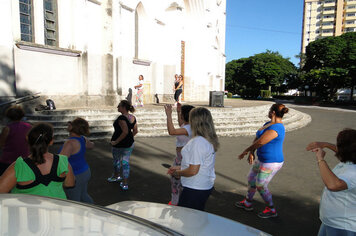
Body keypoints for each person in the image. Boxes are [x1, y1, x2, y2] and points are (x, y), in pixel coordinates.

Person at [236, 103, 289, 218]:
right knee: (251, 179)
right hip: (262, 159)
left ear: (273, 112)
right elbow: (258, 138)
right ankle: (248, 202)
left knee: (261, 185)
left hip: (272, 162)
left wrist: (246, 150)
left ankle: (271, 209)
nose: (268, 112)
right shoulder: (268, 124)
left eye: (270, 110)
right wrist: (251, 152)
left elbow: (261, 142)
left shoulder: (277, 127)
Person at [0, 123, 75, 198]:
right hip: (58, 208)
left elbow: (1, 190)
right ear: (51, 141)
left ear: (27, 139)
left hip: (29, 209)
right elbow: (70, 183)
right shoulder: (62, 161)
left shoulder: (20, 166)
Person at [168, 107, 219, 211]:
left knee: (188, 219)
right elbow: (199, 164)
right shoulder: (207, 138)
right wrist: (179, 167)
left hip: (195, 187)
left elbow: (193, 170)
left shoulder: (198, 142)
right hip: (202, 186)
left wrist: (178, 173)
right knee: (196, 217)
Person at [306, 129, 356, 236]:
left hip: (343, 226)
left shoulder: (353, 172)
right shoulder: (350, 161)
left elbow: (333, 185)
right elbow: (342, 152)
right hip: (331, 222)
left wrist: (320, 159)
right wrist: (325, 144)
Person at [164, 103, 195, 205]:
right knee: (175, 181)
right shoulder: (186, 125)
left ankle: (176, 202)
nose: (180, 115)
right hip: (179, 157)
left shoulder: (189, 128)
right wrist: (177, 112)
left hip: (184, 159)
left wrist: (168, 115)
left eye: (181, 113)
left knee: (177, 181)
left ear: (185, 115)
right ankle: (176, 200)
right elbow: (180, 123)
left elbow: (172, 131)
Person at [59, 118, 94, 203]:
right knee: (83, 195)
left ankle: (86, 214)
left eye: (70, 124)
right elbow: (92, 145)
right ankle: (93, 210)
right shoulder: (83, 138)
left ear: (73, 127)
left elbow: (61, 161)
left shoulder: (70, 143)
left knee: (74, 201)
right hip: (85, 171)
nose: (68, 125)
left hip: (75, 175)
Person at [108, 100, 138, 190]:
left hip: (119, 145)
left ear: (123, 107)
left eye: (119, 106)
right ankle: (125, 183)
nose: (117, 107)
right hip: (129, 144)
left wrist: (116, 142)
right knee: (125, 162)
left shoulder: (121, 118)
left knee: (117, 161)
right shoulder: (132, 117)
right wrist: (129, 137)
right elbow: (135, 131)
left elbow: (125, 132)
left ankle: (117, 176)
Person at [0, 105, 32, 176]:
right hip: (24, 159)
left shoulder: (7, 128)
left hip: (8, 160)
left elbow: (1, 144)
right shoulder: (29, 127)